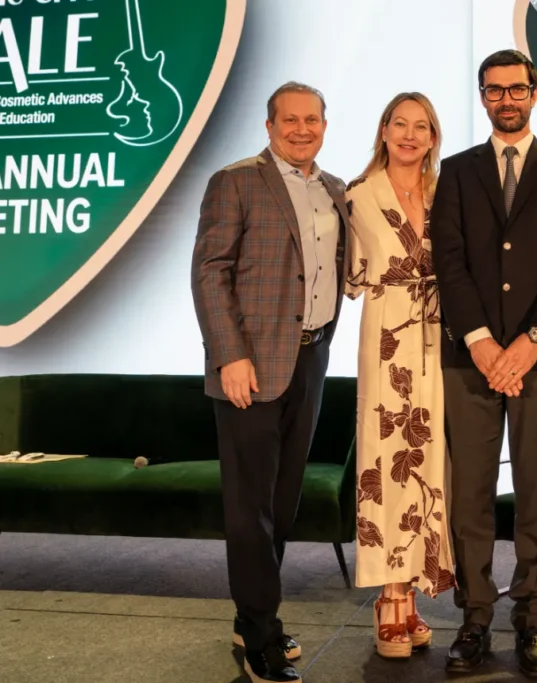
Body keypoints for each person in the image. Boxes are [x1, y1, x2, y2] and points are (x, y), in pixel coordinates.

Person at [431, 49, 537, 678]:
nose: (506, 99)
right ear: (482, 96)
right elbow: (449, 261)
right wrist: (480, 341)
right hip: (468, 359)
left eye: (516, 89)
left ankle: (534, 621)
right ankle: (474, 619)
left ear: (533, 92)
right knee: (469, 496)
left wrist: (529, 340)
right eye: (495, 90)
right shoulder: (456, 171)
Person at [191, 82, 348, 683]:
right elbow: (210, 272)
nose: (301, 129)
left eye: (312, 120)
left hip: (311, 358)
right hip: (250, 366)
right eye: (290, 120)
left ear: (325, 126)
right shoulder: (235, 181)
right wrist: (229, 355)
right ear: (269, 125)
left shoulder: (334, 189)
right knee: (250, 506)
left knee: (282, 502)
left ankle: (250, 616)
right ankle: (260, 636)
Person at [343, 92, 455, 659]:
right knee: (387, 460)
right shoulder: (356, 196)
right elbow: (348, 277)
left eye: (422, 126)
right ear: (384, 129)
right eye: (400, 124)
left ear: (433, 137)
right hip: (388, 337)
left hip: (441, 338)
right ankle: (388, 595)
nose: (410, 135)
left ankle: (410, 593)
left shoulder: (447, 193)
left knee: (428, 464)